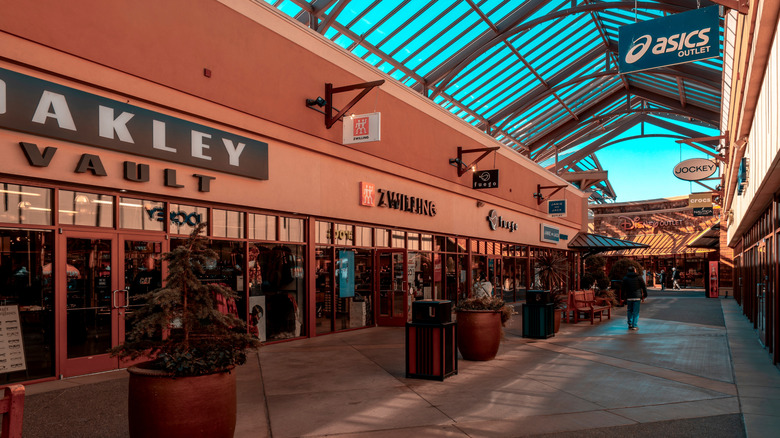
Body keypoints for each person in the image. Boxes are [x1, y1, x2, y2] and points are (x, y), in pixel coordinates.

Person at [621, 266, 647, 331]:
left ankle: (629, 323)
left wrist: (622, 297)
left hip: (629, 296)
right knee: (636, 312)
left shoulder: (625, 278)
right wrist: (645, 294)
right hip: (637, 296)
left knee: (629, 310)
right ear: (634, 270)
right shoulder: (639, 277)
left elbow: (623, 289)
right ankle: (634, 325)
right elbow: (643, 286)